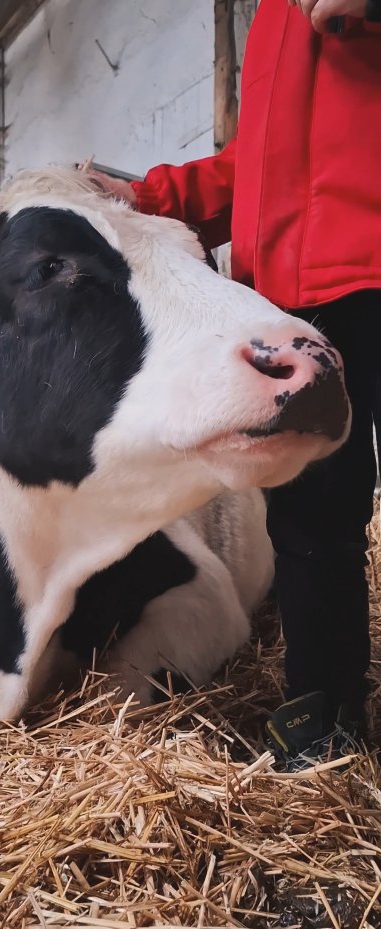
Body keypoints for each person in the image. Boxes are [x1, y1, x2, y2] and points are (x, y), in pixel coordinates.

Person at [93, 0, 381, 769]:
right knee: (312, 519)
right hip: (296, 298)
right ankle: (324, 717)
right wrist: (146, 199)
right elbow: (254, 166)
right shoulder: (275, 20)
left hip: (372, 266)